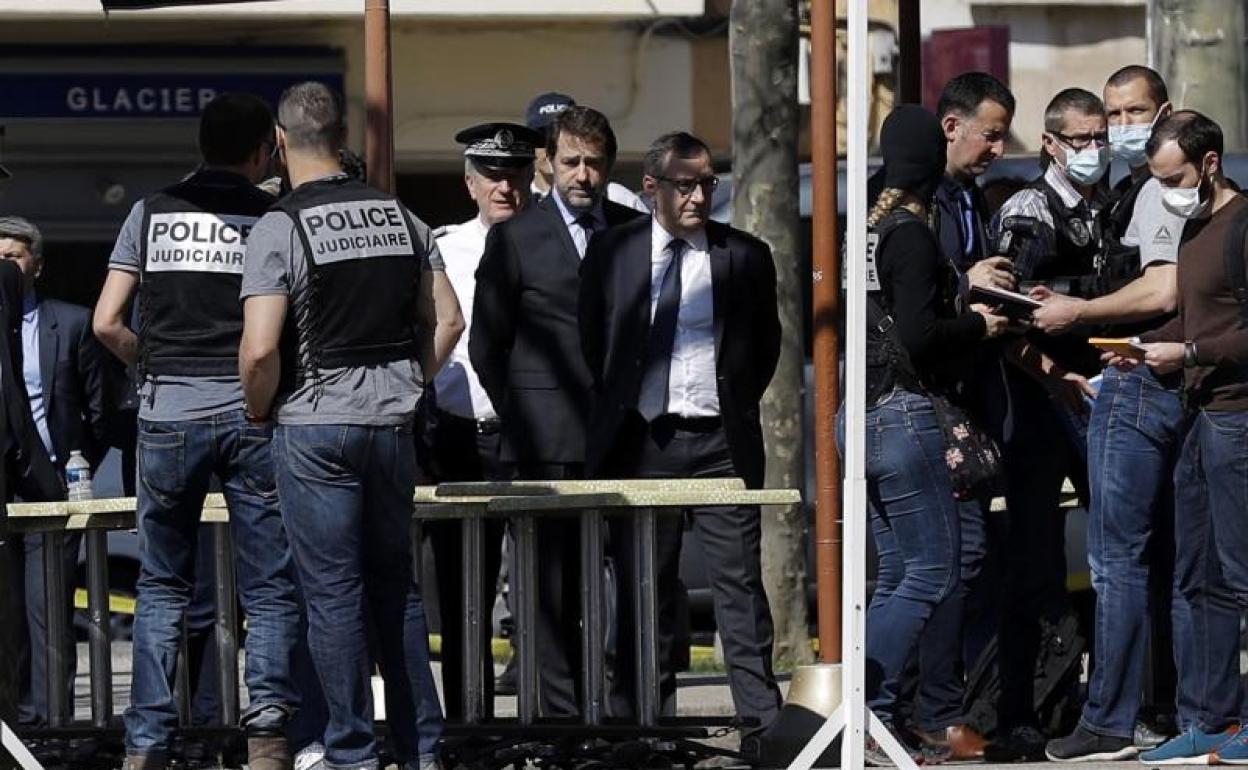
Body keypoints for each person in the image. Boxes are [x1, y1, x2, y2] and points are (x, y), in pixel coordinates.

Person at [238, 81, 464, 770]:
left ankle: (352, 752)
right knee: (398, 593)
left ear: (280, 142)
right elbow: (449, 320)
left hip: (312, 429)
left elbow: (259, 350)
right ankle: (423, 750)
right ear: (343, 137)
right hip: (391, 427)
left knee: (332, 597)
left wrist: (259, 409)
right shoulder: (402, 217)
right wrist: (409, 384)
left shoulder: (279, 226)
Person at [93, 92, 315, 770]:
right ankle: (268, 737)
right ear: (264, 152)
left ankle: (147, 742)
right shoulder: (275, 217)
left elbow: (106, 323)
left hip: (166, 414)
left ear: (200, 145)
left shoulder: (150, 212)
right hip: (251, 413)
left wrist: (150, 361)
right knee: (269, 588)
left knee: (163, 585)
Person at [578, 130, 783, 751]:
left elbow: (764, 347)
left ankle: (763, 730)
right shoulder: (613, 252)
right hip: (644, 443)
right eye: (684, 185)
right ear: (652, 188)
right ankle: (641, 729)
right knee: (644, 589)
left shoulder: (743, 255)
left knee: (738, 588)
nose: (697, 197)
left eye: (707, 185)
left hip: (720, 443)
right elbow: (593, 341)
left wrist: (731, 404)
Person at [469, 105, 644, 718]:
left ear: (610, 165)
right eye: (571, 161)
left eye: (594, 162)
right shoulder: (516, 237)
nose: (583, 174)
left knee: (639, 582)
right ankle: (560, 722)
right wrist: (525, 412)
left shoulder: (635, 231)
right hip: (545, 441)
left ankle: (630, 717)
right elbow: (486, 344)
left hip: (627, 437)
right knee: (551, 588)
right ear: (548, 162)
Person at [1036, 66, 1188, 763]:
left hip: (1137, 381)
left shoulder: (1159, 189)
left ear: (1166, 112)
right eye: (1114, 114)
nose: (1123, 128)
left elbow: (1161, 290)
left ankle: (1111, 719)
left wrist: (1079, 311)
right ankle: (1174, 706)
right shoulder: (1151, 187)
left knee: (1118, 561)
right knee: (1165, 560)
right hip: (1166, 382)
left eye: (1135, 113)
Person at [853, 104, 1010, 765]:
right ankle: (863, 708)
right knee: (931, 573)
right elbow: (919, 336)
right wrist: (979, 324)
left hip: (866, 414)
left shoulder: (868, 229)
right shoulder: (912, 235)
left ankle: (879, 720)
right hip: (903, 415)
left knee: (897, 574)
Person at [1102, 110, 1248, 765]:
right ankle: (1210, 719)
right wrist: (1140, 345)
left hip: (1237, 418)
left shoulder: (1242, 224)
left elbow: (1225, 335)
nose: (1167, 193)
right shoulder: (1195, 228)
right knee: (1198, 576)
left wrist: (1187, 353)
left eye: (1175, 179)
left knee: (1241, 571)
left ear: (1210, 163)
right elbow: (1193, 317)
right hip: (1198, 417)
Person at [891, 72, 1016, 764]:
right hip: (920, 409)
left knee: (951, 561)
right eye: (989, 134)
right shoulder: (910, 214)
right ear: (950, 127)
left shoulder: (967, 197)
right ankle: (925, 710)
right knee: (939, 561)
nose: (997, 149)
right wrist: (971, 295)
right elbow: (915, 314)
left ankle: (920, 707)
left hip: (963, 401)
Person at [985, 87, 1109, 762]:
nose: (1094, 150)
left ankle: (1110, 705)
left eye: (1100, 137)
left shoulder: (1103, 205)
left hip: (1094, 401)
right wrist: (1052, 375)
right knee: (1033, 566)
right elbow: (1003, 318)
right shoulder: (1029, 213)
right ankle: (1018, 715)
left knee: (1116, 559)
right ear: (1051, 144)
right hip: (1040, 407)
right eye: (1081, 139)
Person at [425, 121, 540, 720]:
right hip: (461, 435)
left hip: (536, 438)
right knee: (462, 589)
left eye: (515, 174)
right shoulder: (443, 248)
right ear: (470, 184)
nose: (505, 187)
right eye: (492, 176)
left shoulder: (556, 243)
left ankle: (546, 721)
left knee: (546, 589)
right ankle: (468, 721)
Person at [0, 216, 109, 731]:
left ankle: (53, 726)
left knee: (48, 615)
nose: (3, 266)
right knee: (7, 619)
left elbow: (100, 411)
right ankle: (15, 725)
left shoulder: (70, 323)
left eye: (12, 256)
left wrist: (75, 471)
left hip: (51, 489)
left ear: (36, 266)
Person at [524, 92, 648, 213]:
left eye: (563, 138)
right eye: (542, 138)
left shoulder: (619, 198)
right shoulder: (517, 197)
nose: (552, 147)